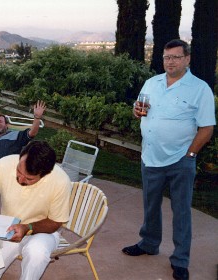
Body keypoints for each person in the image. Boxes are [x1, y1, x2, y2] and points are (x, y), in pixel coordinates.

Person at [122, 39, 216, 280]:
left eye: (175, 57)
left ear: (187, 59)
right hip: (150, 157)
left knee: (181, 210)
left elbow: (206, 128)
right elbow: (140, 108)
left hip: (180, 160)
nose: (170, 62)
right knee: (150, 205)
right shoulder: (152, 83)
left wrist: (190, 154)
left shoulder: (200, 88)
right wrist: (136, 111)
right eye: (166, 57)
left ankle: (180, 260)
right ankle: (149, 244)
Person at [0, 140, 71, 280]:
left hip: (43, 231)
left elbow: (55, 222)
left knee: (37, 253)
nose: (20, 179)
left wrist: (27, 228)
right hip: (7, 228)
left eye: (29, 178)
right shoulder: (4, 164)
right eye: (18, 170)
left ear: (45, 174)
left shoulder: (60, 181)